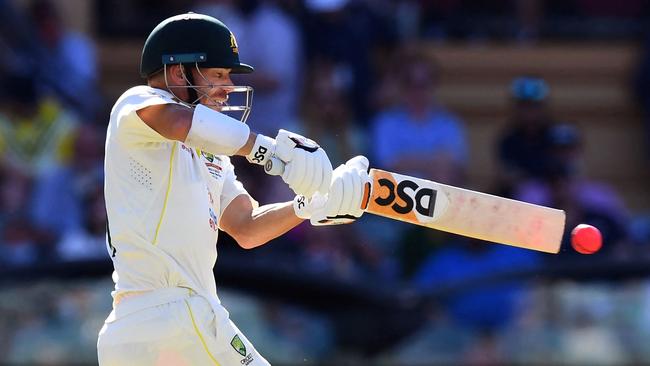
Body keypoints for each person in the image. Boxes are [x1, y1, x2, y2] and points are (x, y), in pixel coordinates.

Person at [96, 13, 370, 366]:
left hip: (142, 330)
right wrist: (268, 151)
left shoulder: (211, 152)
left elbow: (247, 226)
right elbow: (180, 121)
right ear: (179, 73)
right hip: (175, 314)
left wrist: (310, 205)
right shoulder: (136, 103)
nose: (227, 87)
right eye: (218, 75)